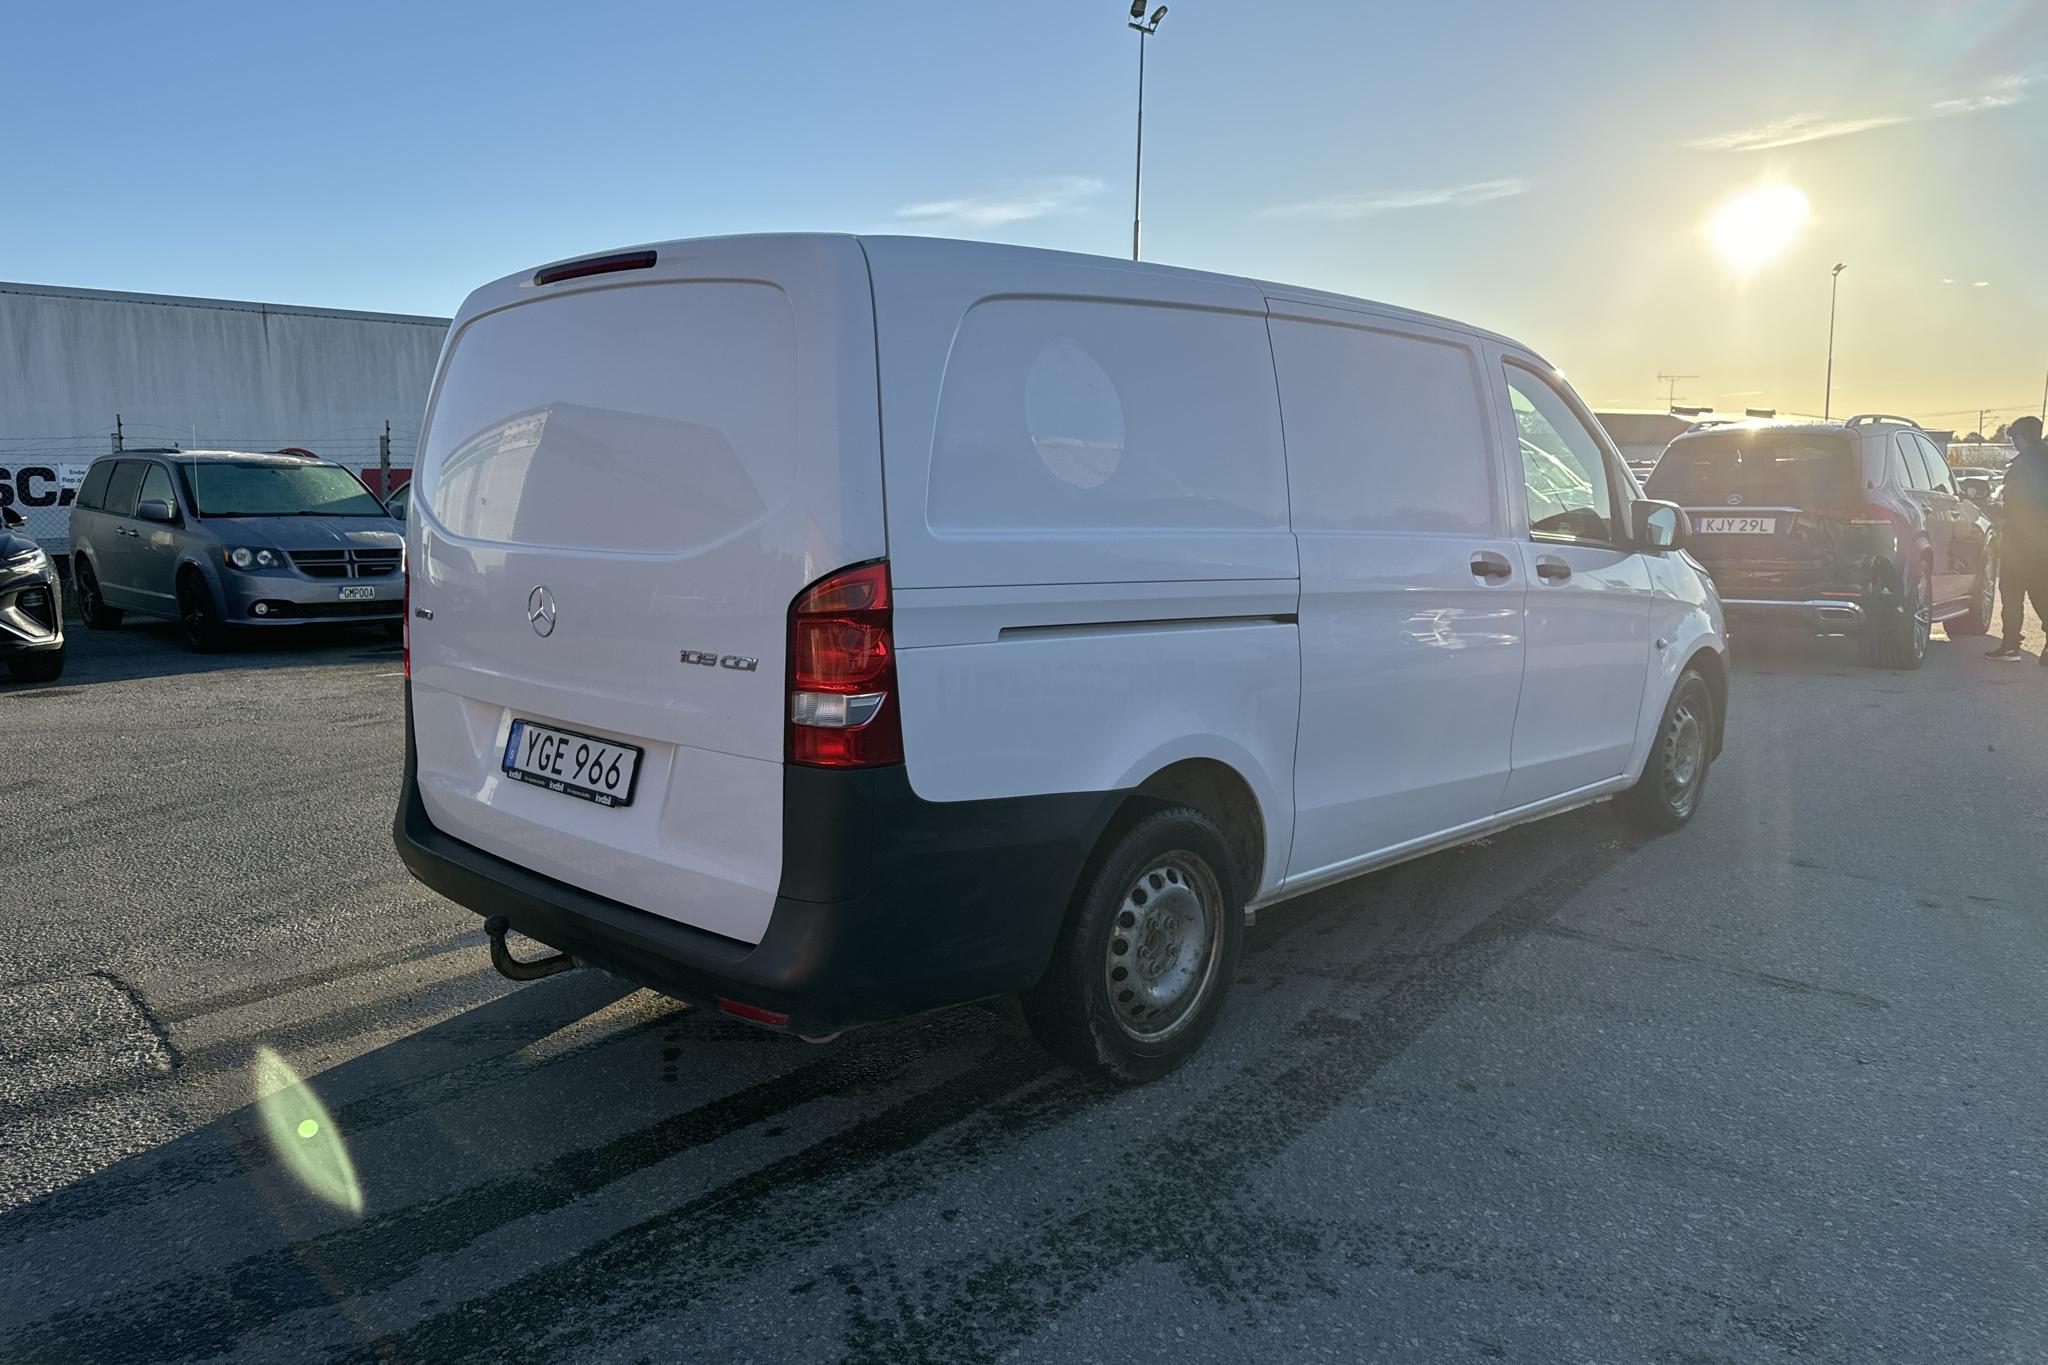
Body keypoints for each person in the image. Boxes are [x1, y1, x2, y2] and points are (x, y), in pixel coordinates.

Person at [1988, 415, 2048, 661]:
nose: (2013, 442)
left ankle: (2011, 645)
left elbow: (2015, 505)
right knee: (2043, 592)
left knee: (2011, 592)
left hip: (2019, 541)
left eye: (2014, 437)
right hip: (2045, 541)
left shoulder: (2020, 468)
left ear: (2022, 438)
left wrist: (1997, 514)